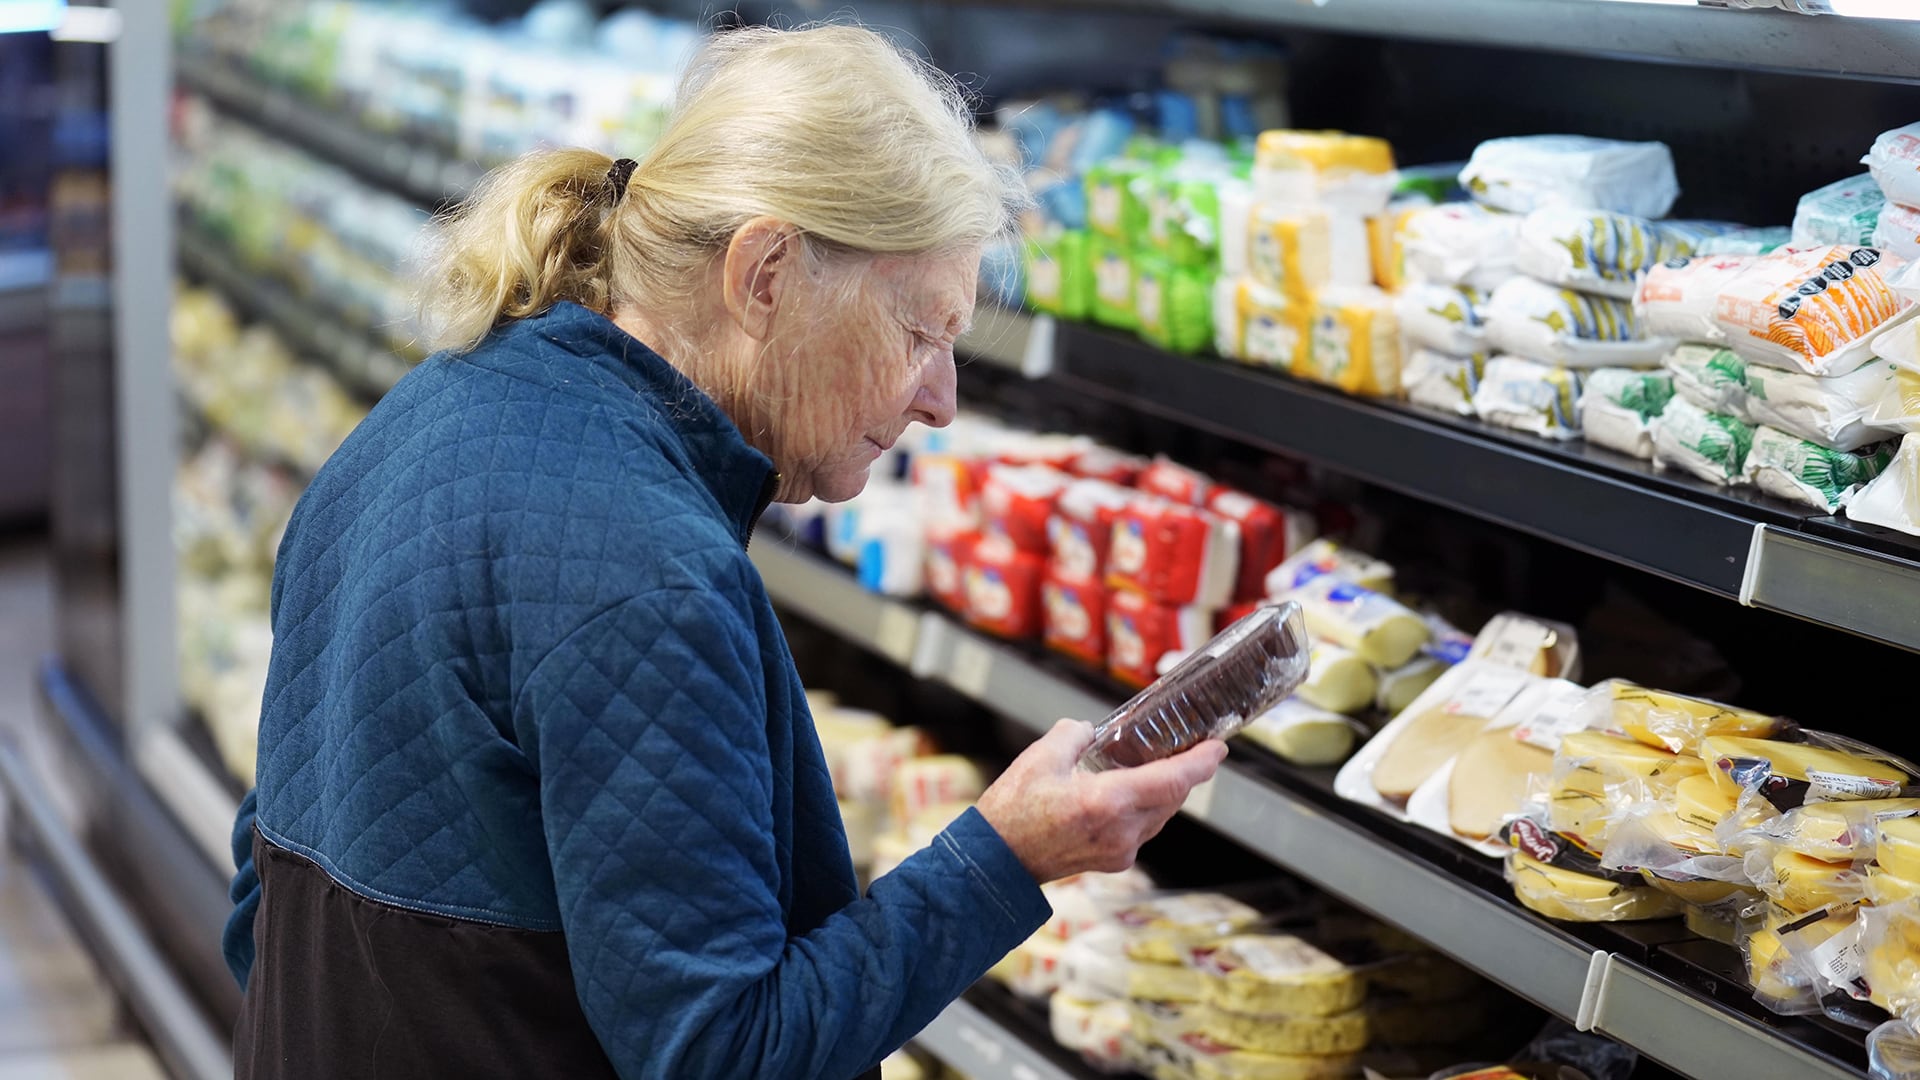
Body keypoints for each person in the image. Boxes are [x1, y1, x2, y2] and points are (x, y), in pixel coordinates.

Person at [222, 23, 1224, 1080]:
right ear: (767, 274)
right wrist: (1008, 856)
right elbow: (724, 1057)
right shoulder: (648, 576)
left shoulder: (408, 425)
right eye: (922, 333)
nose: (940, 399)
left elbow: (265, 906)